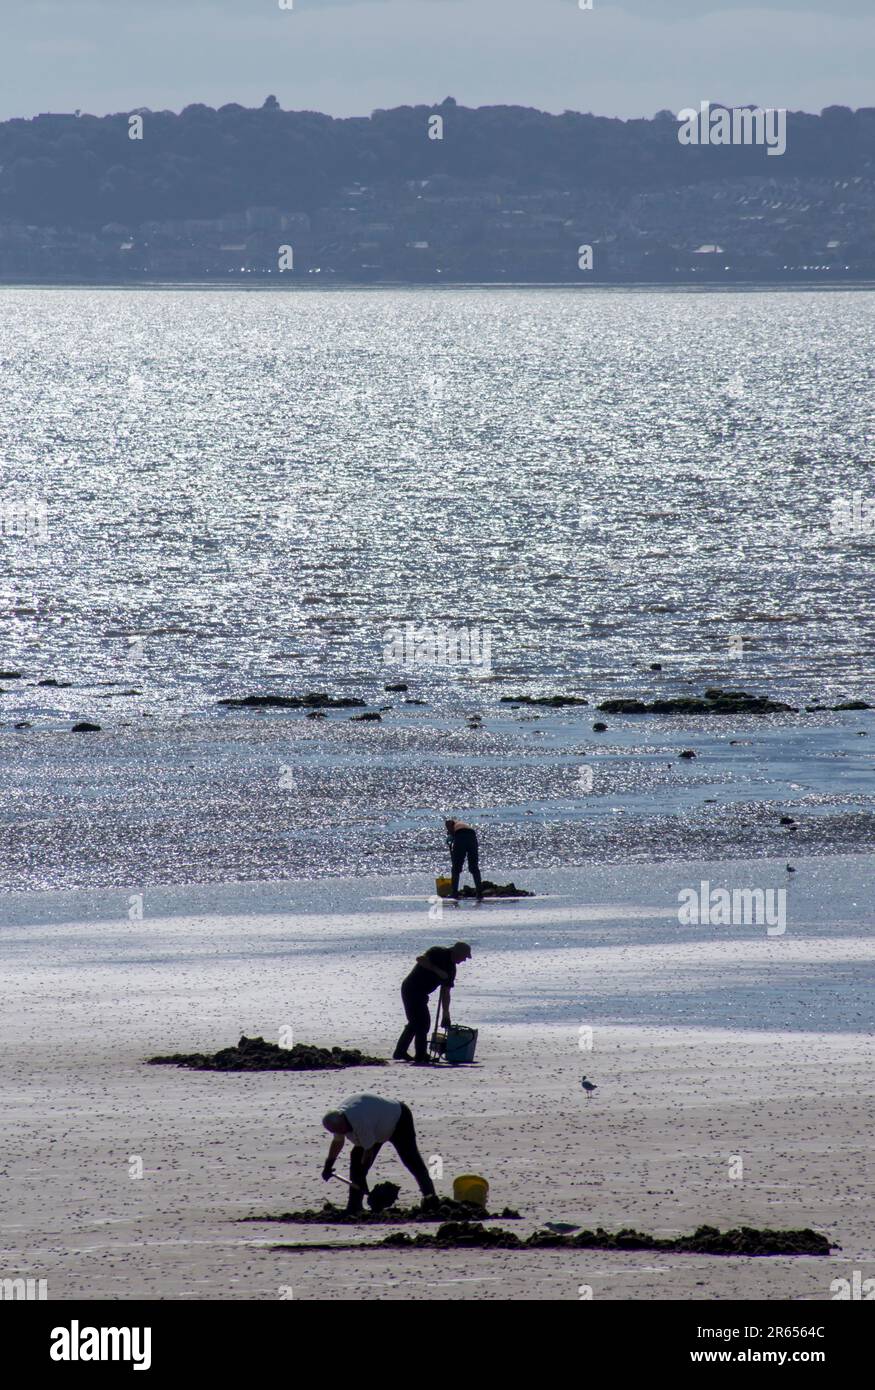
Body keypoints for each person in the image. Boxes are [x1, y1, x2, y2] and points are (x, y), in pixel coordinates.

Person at [321, 1094, 436, 1214]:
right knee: (356, 1159)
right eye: (337, 1131)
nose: (341, 1133)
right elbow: (337, 1142)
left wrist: (361, 1175)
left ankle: (430, 1199)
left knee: (412, 1161)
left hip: (399, 1119)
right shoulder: (338, 1120)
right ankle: (354, 1206)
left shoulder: (359, 1121)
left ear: (343, 1122)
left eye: (341, 1130)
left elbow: (368, 1151)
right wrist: (328, 1165)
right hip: (378, 1124)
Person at [392, 941, 472, 1063]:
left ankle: (401, 1052)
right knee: (422, 1023)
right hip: (411, 988)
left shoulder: (451, 969)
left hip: (422, 993)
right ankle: (420, 1055)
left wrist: (446, 1013)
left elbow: (446, 992)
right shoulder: (438, 952)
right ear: (457, 953)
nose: (464, 960)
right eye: (464, 957)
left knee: (415, 1022)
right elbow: (420, 959)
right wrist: (437, 971)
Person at [445, 816, 483, 899]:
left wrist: (451, 835)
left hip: (461, 837)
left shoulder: (452, 823)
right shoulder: (462, 824)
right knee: (474, 867)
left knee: (456, 868)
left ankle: (454, 893)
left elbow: (448, 823)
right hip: (472, 837)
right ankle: (479, 893)